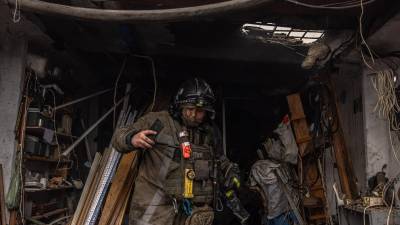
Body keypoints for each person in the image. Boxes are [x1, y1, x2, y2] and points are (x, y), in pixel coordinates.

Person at [112, 78, 240, 225]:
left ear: (207, 112)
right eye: (189, 109)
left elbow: (220, 160)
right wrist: (132, 138)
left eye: (199, 111)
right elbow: (118, 137)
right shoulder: (159, 121)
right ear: (179, 106)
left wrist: (231, 171)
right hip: (155, 212)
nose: (193, 115)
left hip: (193, 214)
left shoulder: (210, 132)